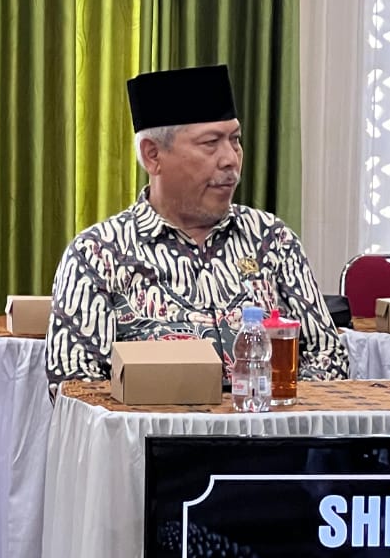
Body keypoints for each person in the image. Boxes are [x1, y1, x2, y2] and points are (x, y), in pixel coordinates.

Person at [46, 64, 348, 387]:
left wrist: (271, 407)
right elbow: (74, 385)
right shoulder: (97, 255)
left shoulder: (271, 240)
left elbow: (329, 355)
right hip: (148, 421)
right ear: (153, 156)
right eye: (210, 143)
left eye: (235, 140)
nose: (231, 159)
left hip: (266, 418)